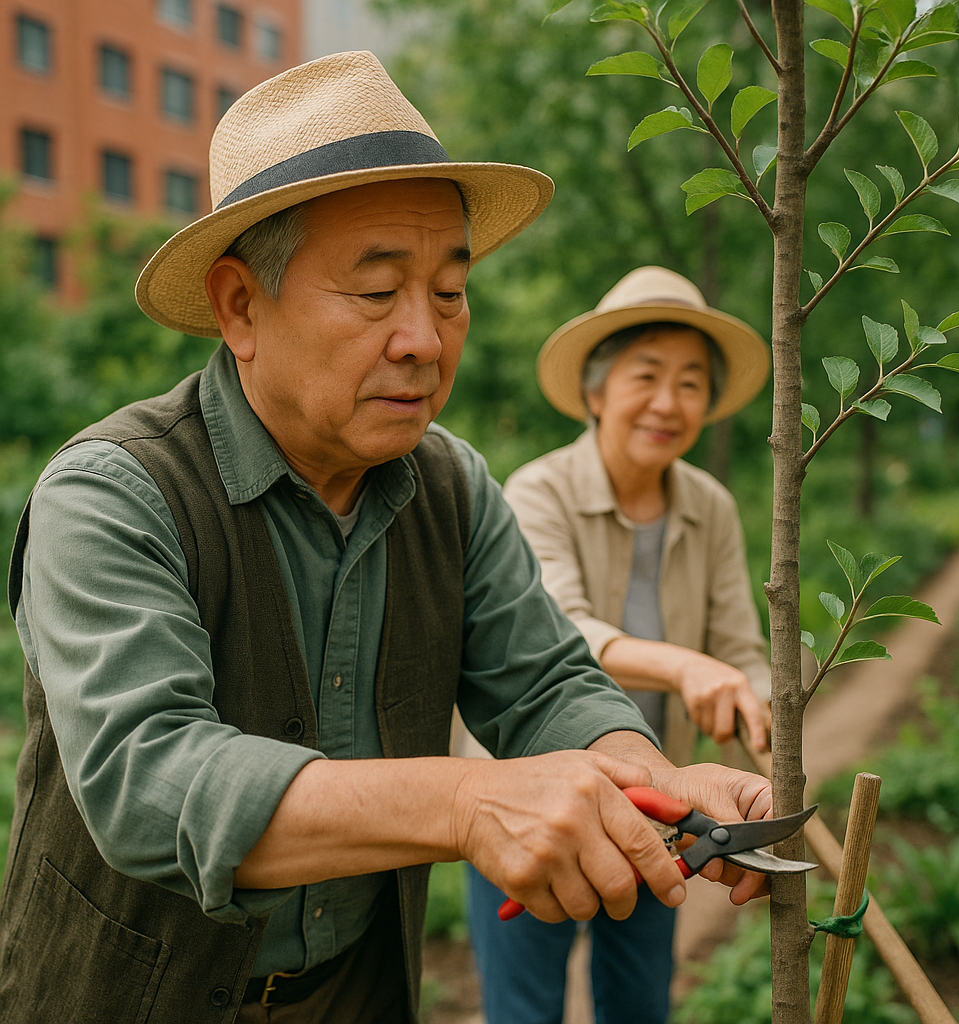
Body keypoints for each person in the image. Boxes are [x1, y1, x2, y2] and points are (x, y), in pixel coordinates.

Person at [0, 55, 772, 1024]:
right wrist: (463, 803)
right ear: (241, 305)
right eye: (375, 293)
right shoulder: (113, 491)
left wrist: (663, 782)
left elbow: (543, 682)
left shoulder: (448, 486)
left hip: (353, 993)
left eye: (449, 293)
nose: (423, 338)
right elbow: (148, 776)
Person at [467, 266, 773, 1024]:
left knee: (639, 1003)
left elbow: (743, 647)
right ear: (597, 392)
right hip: (532, 795)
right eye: (647, 375)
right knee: (524, 1007)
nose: (669, 403)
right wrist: (683, 666)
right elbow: (554, 627)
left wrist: (761, 722)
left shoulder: (710, 508)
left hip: (658, 808)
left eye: (692, 383)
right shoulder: (537, 491)